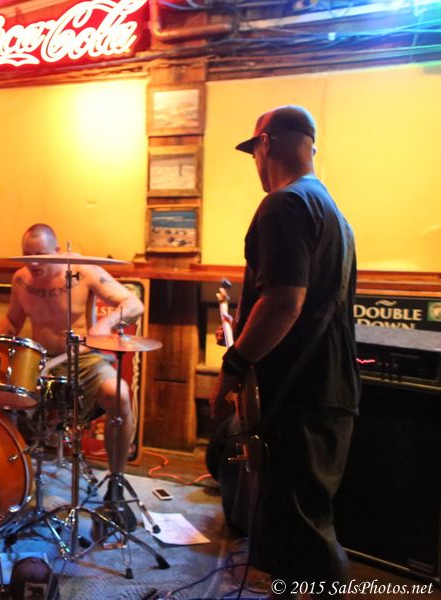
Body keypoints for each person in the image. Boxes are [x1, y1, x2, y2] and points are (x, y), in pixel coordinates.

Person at [211, 105, 359, 592]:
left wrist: (233, 367)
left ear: (265, 144)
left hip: (299, 396)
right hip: (326, 389)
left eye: (254, 152)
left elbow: (283, 303)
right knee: (304, 525)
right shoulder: (331, 210)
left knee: (303, 538)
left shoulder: (284, 204)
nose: (255, 163)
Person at [0, 224, 144, 525]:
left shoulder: (83, 271)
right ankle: (8, 483)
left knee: (119, 395)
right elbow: (12, 320)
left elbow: (133, 304)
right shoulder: (21, 279)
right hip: (41, 360)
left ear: (58, 251)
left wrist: (105, 324)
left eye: (41, 255)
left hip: (83, 357)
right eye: (28, 255)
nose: (34, 263)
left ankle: (116, 482)